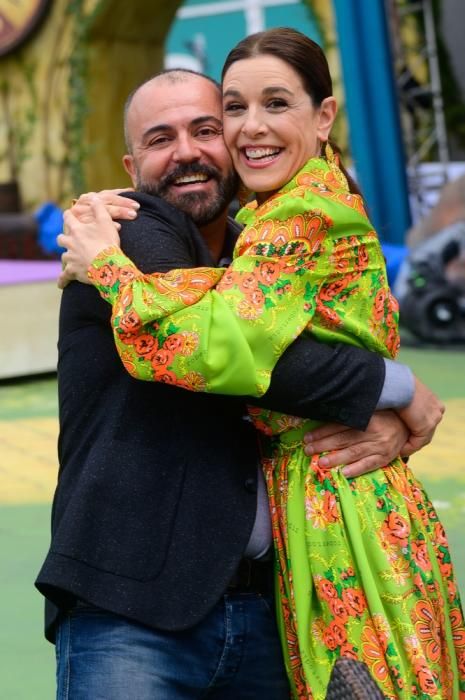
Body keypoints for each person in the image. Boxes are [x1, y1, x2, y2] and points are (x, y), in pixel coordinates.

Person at [58, 29, 464, 699]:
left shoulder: (279, 230)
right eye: (161, 139)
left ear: (321, 117)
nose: (189, 151)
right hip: (135, 609)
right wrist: (393, 389)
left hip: (272, 596)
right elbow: (248, 356)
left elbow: (247, 339)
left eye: (206, 128)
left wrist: (390, 407)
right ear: (130, 169)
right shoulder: (127, 229)